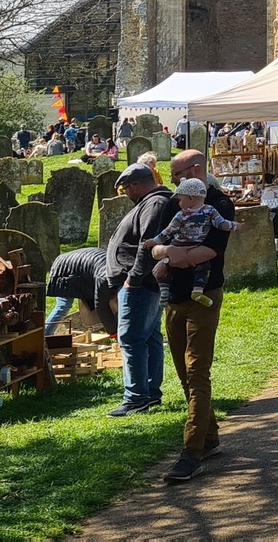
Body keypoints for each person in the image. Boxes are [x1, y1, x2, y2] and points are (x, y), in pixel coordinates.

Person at [155, 149, 232, 481]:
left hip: (204, 298)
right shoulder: (177, 202)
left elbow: (208, 252)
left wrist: (170, 256)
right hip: (174, 296)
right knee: (184, 374)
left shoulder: (220, 205)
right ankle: (210, 436)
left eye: (176, 174)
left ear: (195, 169)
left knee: (197, 372)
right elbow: (155, 244)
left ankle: (191, 452)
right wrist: (168, 254)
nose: (172, 181)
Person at [103, 163, 174, 417]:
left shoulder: (153, 204)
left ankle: (136, 398)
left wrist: (132, 279)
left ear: (135, 185)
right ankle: (150, 394)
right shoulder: (151, 202)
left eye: (126, 189)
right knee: (149, 337)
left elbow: (148, 245)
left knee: (132, 339)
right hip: (142, 284)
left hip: (140, 285)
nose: (126, 195)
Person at [144, 177, 238, 306]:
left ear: (191, 198)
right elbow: (164, 235)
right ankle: (168, 289)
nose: (178, 202)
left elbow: (168, 232)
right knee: (165, 269)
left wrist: (165, 255)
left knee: (201, 267)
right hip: (189, 248)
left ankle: (194, 291)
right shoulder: (190, 211)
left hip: (183, 247)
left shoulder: (206, 209)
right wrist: (158, 245)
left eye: (180, 199)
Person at [43, 246, 114, 335]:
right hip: (66, 267)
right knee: (63, 306)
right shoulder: (105, 276)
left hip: (83, 267)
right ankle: (45, 336)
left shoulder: (115, 270)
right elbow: (100, 303)